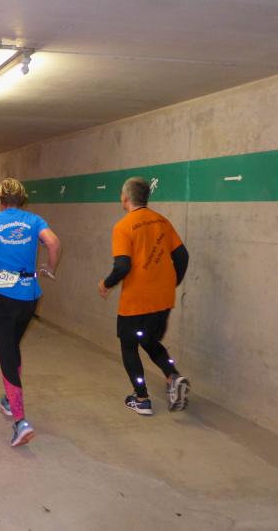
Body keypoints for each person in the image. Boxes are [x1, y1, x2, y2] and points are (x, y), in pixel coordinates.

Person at [0, 177, 61, 447]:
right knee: (13, 346)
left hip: (2, 296)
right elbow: (54, 243)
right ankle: (10, 400)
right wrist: (50, 267)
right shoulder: (34, 221)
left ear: (0, 200)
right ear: (22, 199)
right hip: (29, 296)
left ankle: (20, 421)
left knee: (7, 354)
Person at [98, 177, 190, 416]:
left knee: (129, 345)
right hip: (163, 298)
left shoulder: (123, 226)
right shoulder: (162, 221)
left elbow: (122, 266)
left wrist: (106, 284)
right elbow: (182, 256)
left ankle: (141, 398)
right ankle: (172, 376)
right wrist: (172, 282)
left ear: (125, 197)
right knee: (149, 340)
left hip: (136, 301)